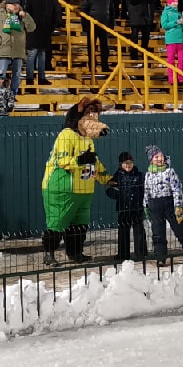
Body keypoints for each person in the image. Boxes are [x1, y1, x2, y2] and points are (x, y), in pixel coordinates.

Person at [40, 97, 111, 266]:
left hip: (83, 189)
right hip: (62, 187)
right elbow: (62, 161)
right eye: (89, 116)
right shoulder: (66, 135)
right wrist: (80, 160)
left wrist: (108, 179)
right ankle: (48, 253)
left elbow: (94, 162)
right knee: (57, 222)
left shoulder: (87, 139)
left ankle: (75, 252)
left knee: (79, 225)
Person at [142, 144, 183, 265]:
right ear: (151, 159)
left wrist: (178, 205)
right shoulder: (148, 174)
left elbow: (177, 189)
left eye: (160, 156)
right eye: (156, 157)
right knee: (158, 232)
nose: (159, 159)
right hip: (155, 206)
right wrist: (146, 206)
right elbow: (146, 191)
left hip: (169, 204)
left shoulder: (169, 172)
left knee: (179, 228)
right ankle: (160, 257)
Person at [105, 150, 148, 263]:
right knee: (123, 231)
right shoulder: (117, 176)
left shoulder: (139, 175)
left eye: (130, 162)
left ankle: (141, 253)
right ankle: (123, 254)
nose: (128, 165)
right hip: (123, 208)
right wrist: (114, 192)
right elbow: (110, 190)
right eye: (125, 163)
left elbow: (145, 190)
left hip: (137, 208)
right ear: (121, 164)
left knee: (139, 231)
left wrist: (145, 202)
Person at [0, 0, 35, 97]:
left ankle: (13, 95)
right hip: (4, 50)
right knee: (1, 75)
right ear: (7, 6)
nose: (16, 7)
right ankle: (0, 95)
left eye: (17, 5)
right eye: (14, 5)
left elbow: (32, 27)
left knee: (17, 75)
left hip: (18, 51)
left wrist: (25, 16)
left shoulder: (21, 16)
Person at [160, 0, 183, 85]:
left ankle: (181, 79)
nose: (176, 3)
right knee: (171, 60)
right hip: (171, 39)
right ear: (169, 2)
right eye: (174, 1)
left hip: (181, 39)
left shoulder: (179, 12)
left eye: (176, 1)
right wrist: (176, 22)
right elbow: (164, 25)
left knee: (182, 60)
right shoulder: (166, 12)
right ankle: (172, 79)